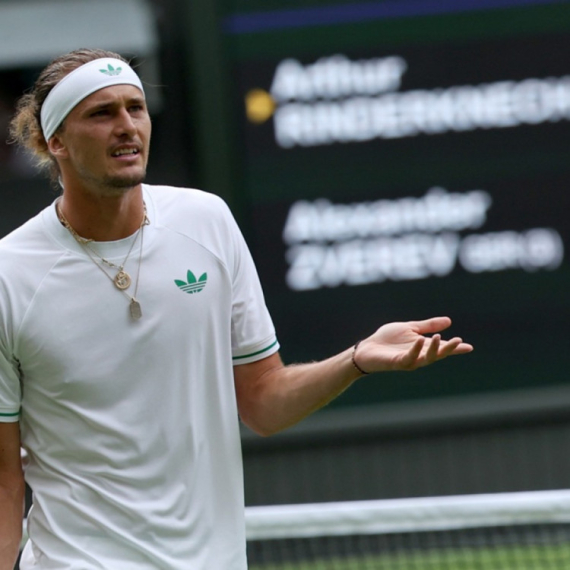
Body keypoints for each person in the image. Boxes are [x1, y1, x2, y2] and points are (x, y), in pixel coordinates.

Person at [0, 48, 473, 570]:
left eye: (136, 108)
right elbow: (4, 479)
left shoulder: (207, 221)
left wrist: (356, 359)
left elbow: (263, 402)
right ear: (55, 141)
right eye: (101, 113)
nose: (127, 126)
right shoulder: (9, 274)